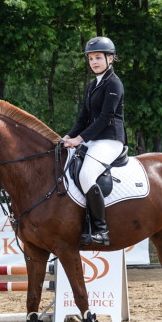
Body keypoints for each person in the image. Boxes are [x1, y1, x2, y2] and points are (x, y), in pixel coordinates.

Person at [62, 36, 126, 246]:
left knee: (87, 174)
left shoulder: (114, 83)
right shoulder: (93, 85)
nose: (94, 62)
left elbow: (106, 117)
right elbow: (83, 118)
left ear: (111, 58)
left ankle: (100, 229)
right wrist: (69, 137)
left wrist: (80, 138)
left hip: (110, 140)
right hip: (93, 140)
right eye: (90, 59)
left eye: (98, 58)